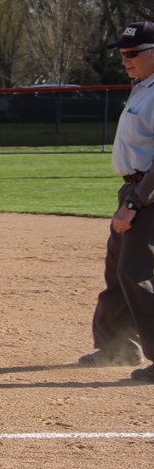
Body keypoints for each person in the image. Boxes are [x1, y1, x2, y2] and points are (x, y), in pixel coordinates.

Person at [79, 20, 154, 382]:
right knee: (117, 270)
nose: (125, 60)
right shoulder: (141, 89)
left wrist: (136, 202)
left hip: (147, 194)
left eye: (133, 53)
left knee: (135, 273)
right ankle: (117, 346)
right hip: (132, 191)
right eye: (122, 54)